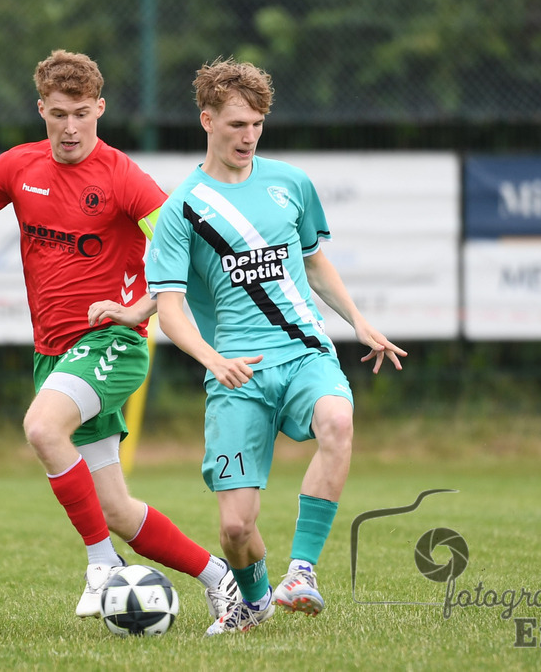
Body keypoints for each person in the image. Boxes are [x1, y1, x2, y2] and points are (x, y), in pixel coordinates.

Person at [0, 50, 238, 621]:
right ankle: (219, 578)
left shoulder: (123, 177)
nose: (69, 127)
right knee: (118, 510)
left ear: (99, 108)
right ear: (41, 110)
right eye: (57, 114)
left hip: (111, 347)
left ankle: (102, 568)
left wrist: (136, 312)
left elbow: (189, 259)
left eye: (81, 113)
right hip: (54, 354)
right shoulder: (18, 168)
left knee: (42, 427)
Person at [145, 57, 407, 636]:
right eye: (237, 124)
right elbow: (168, 306)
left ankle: (302, 573)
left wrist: (359, 322)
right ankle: (256, 599)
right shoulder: (183, 207)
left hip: (304, 351)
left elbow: (314, 264)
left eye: (258, 123)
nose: (249, 136)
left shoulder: (291, 184)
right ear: (206, 119)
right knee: (236, 530)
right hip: (235, 372)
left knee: (338, 419)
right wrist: (213, 360)